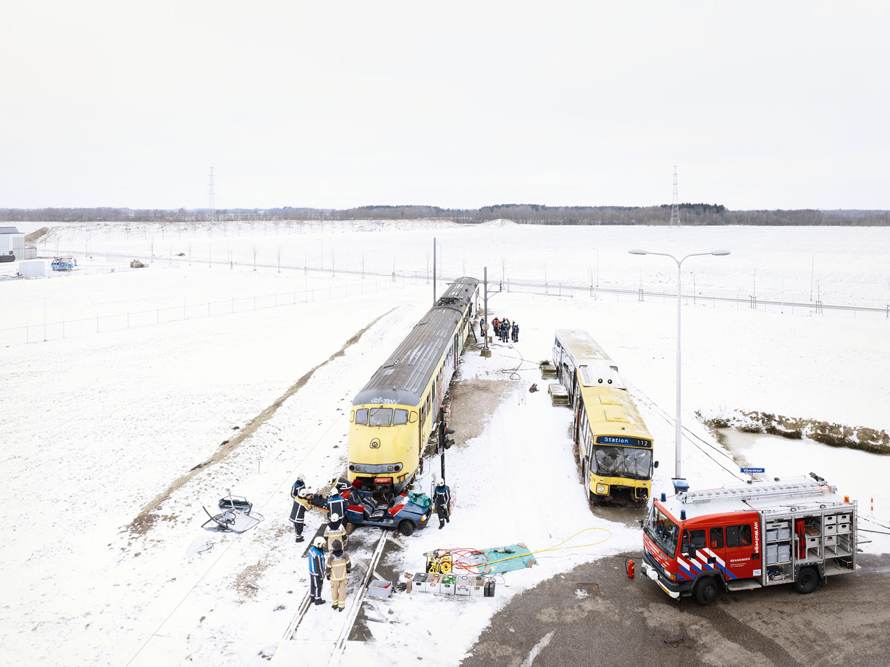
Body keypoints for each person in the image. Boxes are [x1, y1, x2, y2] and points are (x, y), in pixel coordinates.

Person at [326, 539, 352, 612]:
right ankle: (341, 606)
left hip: (334, 578)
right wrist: (348, 569)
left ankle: (335, 604)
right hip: (343, 577)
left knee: (334, 591)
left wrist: (328, 575)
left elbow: (328, 567)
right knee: (342, 591)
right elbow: (349, 564)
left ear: (333, 547)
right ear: (341, 546)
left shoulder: (331, 557)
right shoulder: (345, 555)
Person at [307, 537, 327, 605]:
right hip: (317, 573)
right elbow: (319, 567)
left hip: (311, 571)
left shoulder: (311, 549)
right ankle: (317, 599)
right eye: (322, 545)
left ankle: (312, 596)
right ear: (319, 544)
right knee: (318, 586)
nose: (323, 546)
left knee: (313, 584)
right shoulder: (318, 555)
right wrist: (322, 575)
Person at [289, 477, 308, 542]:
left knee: (297, 525)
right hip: (298, 517)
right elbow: (308, 508)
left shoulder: (297, 498)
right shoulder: (304, 502)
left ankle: (298, 535)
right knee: (299, 528)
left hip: (294, 514)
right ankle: (298, 538)